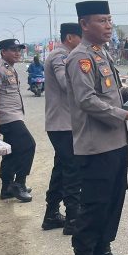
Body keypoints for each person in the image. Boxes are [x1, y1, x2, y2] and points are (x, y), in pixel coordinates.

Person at [65, 1, 128, 255]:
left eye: (109, 20)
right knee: (94, 204)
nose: (108, 26)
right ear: (84, 24)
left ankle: (101, 252)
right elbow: (86, 100)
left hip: (115, 141)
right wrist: (125, 114)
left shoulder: (101, 54)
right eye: (101, 21)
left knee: (114, 198)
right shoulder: (80, 58)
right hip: (96, 145)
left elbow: (110, 92)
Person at [41, 23, 83, 234]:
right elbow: (66, 84)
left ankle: (51, 215)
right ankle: (73, 219)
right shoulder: (61, 56)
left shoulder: (64, 54)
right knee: (72, 170)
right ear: (70, 37)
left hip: (64, 123)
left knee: (61, 169)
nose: (82, 42)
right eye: (80, 37)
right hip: (62, 124)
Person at [0, 39, 34, 203]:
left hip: (14, 115)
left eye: (19, 50)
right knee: (29, 145)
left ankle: (6, 189)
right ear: (3, 51)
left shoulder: (9, 69)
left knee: (11, 153)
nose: (17, 53)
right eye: (13, 50)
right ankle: (19, 184)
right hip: (8, 117)